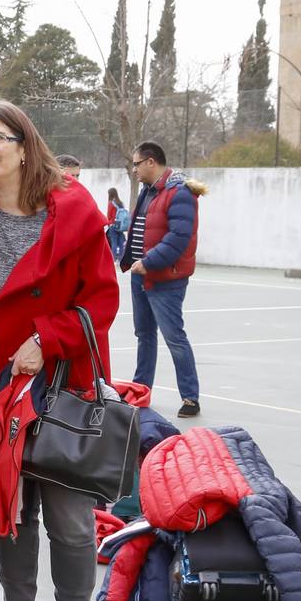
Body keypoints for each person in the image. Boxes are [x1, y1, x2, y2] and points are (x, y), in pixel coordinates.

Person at [0, 100, 119, 601]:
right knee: (11, 515)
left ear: (25, 145)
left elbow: (101, 302)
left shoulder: (73, 211)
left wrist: (47, 339)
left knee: (72, 523)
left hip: (59, 387)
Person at [121, 140, 202, 418]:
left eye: (136, 163)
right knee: (144, 335)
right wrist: (131, 261)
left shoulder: (180, 193)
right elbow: (140, 230)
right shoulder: (148, 191)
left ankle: (191, 398)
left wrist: (149, 262)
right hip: (140, 276)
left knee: (174, 337)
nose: (133, 169)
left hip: (165, 279)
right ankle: (141, 389)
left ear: (151, 162)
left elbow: (179, 238)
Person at [104, 186, 130, 261]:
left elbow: (109, 216)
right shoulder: (120, 203)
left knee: (114, 242)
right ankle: (121, 258)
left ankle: (113, 258)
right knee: (121, 242)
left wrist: (107, 224)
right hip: (121, 226)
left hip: (113, 225)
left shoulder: (111, 203)